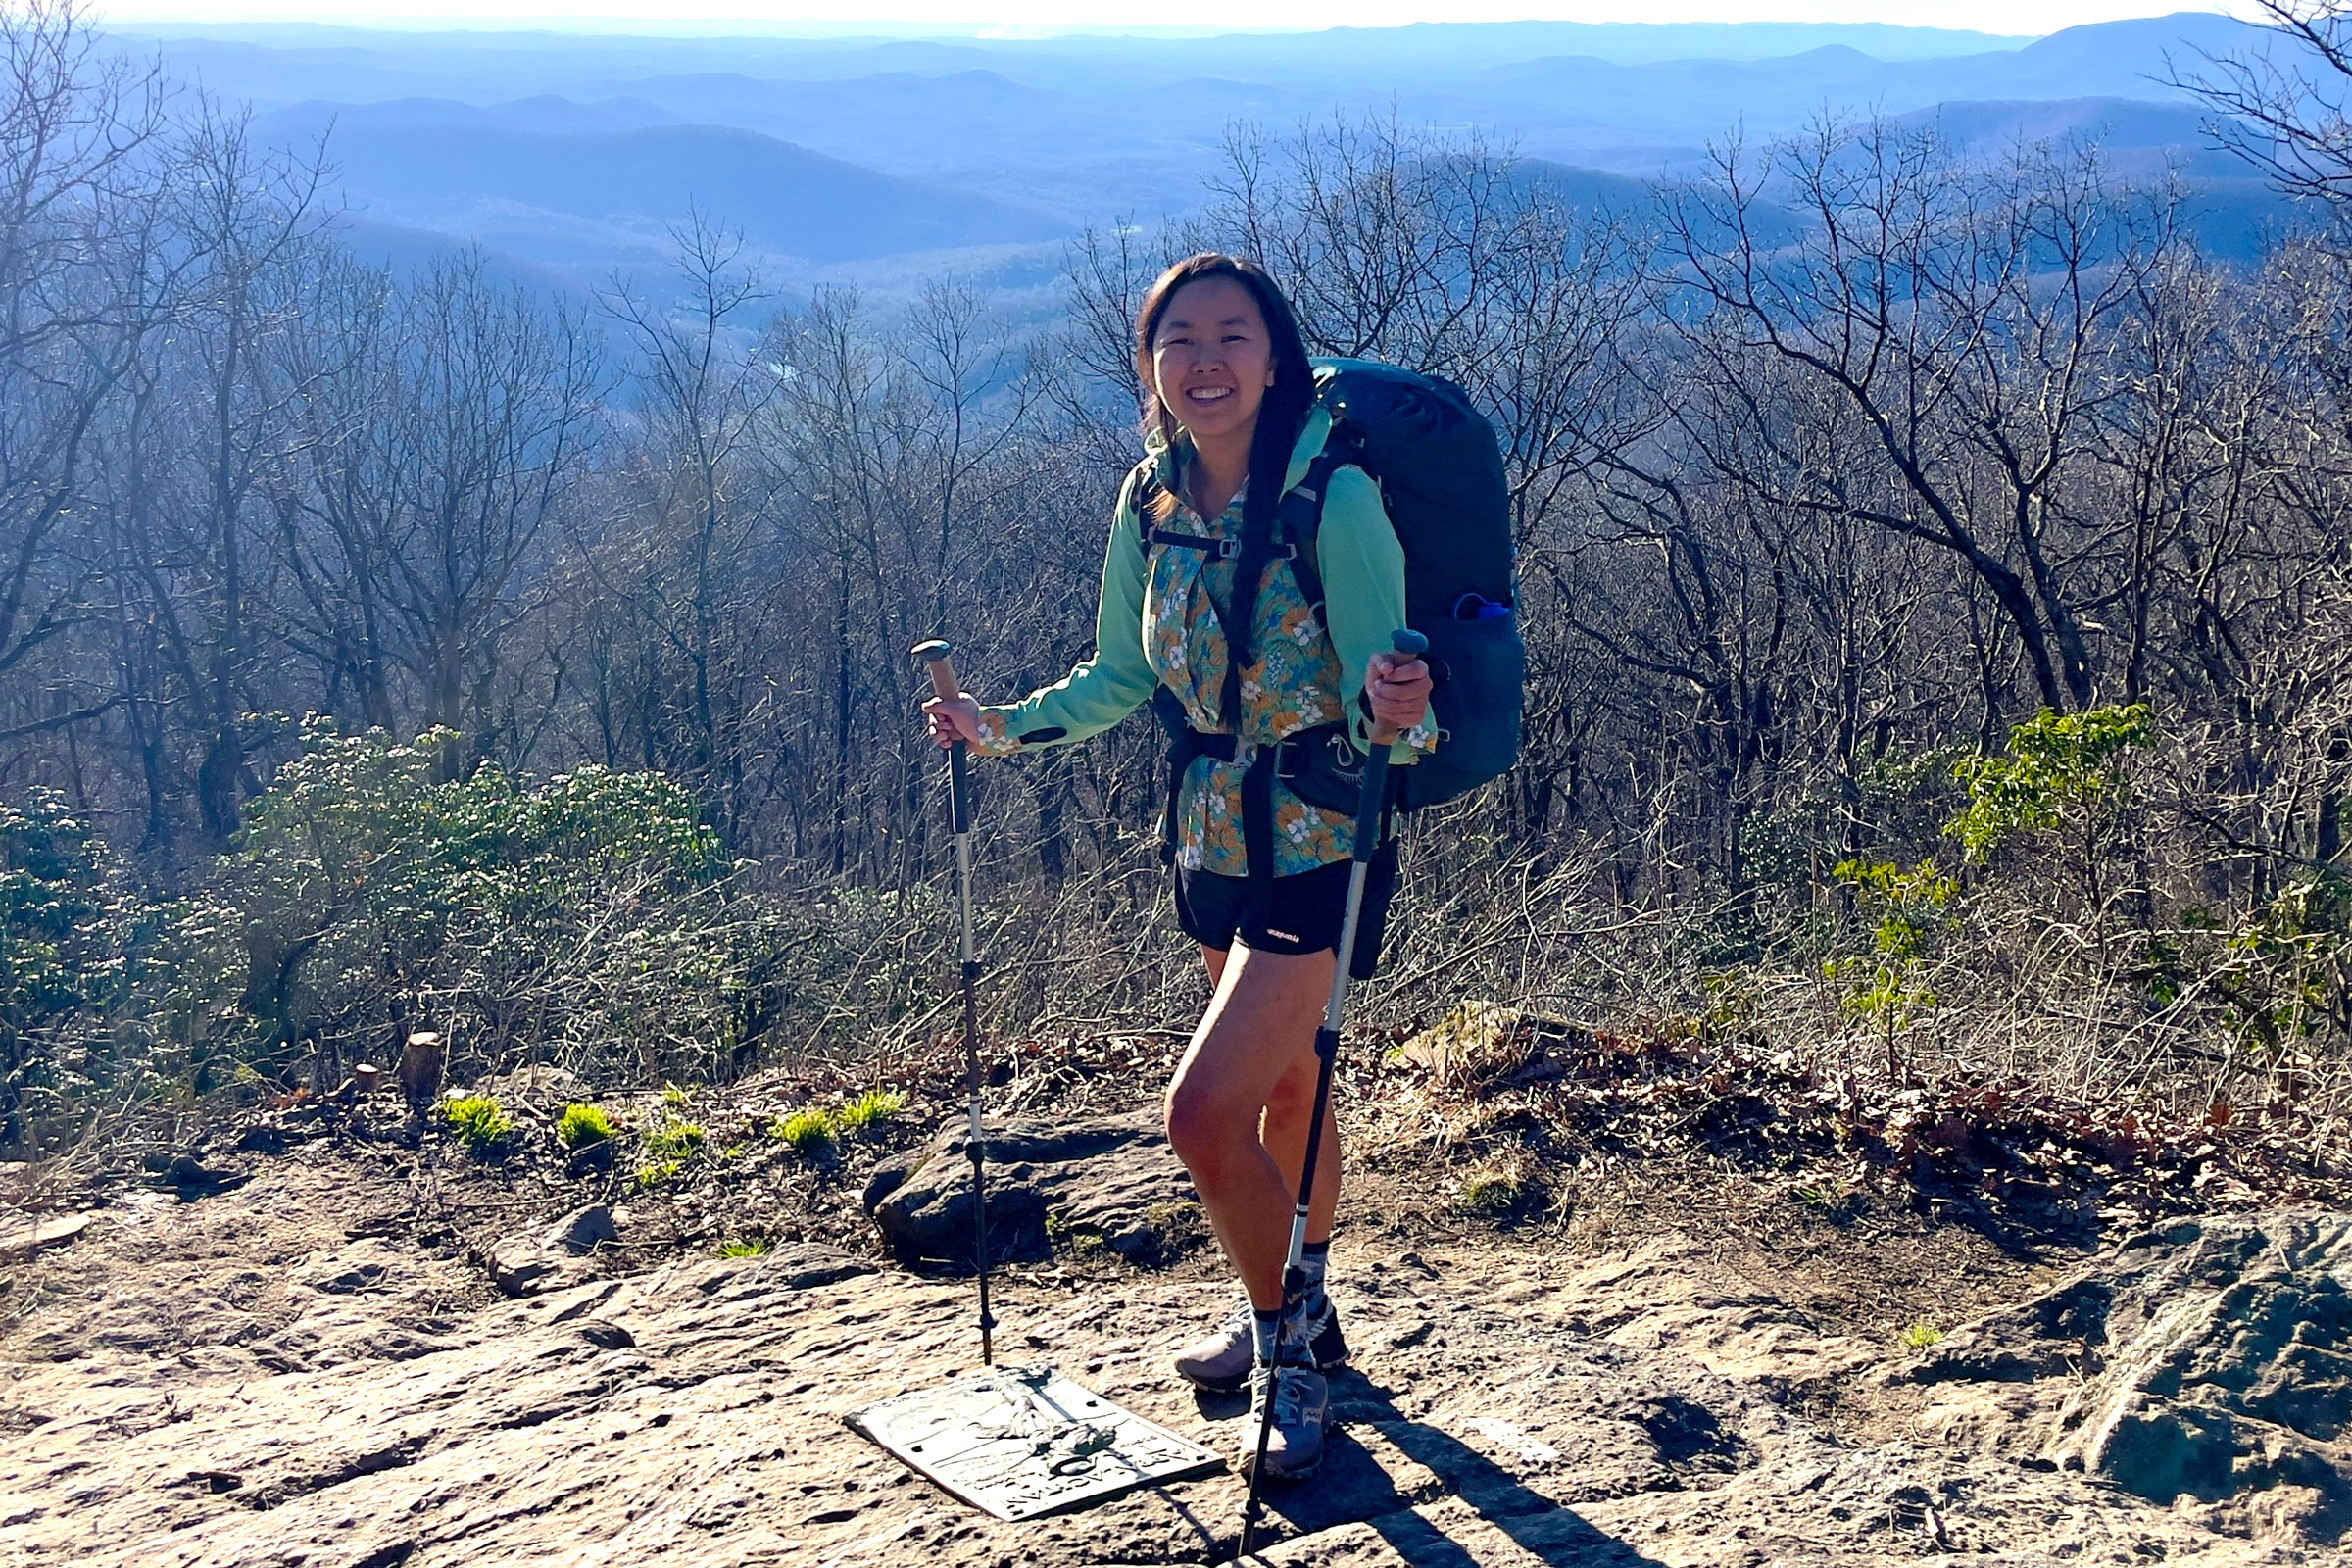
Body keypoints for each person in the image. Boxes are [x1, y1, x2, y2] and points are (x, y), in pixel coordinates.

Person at [923, 252, 1432, 1482]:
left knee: (1201, 1116)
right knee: (1284, 1101)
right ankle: (1296, 1303)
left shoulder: (1334, 500)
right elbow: (1121, 677)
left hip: (1317, 841)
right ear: (1150, 364)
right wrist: (999, 728)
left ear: (1276, 353)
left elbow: (1392, 719)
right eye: (1179, 340)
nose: (1206, 361)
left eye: (1233, 336)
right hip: (1207, 838)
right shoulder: (1148, 500)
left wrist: (1396, 701)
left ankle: (1291, 1352)